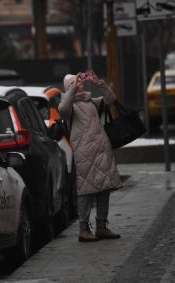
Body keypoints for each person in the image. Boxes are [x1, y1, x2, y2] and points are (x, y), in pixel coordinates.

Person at [58, 70, 123, 242]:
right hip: (85, 154)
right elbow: (62, 110)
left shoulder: (90, 102)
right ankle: (83, 228)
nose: (79, 84)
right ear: (68, 88)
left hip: (101, 152)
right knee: (85, 191)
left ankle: (102, 226)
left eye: (79, 81)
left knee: (104, 188)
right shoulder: (70, 106)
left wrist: (99, 83)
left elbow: (111, 100)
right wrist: (72, 88)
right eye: (74, 82)